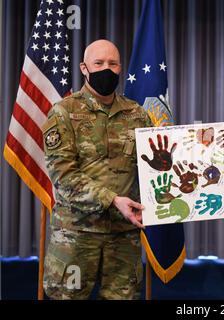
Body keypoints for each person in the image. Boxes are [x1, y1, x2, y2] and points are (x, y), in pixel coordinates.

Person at [42, 39, 152, 299]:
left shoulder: (137, 114)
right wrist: (113, 200)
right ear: (84, 67)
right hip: (77, 235)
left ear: (120, 68)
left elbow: (162, 164)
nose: (107, 69)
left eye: (113, 64)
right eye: (99, 63)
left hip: (123, 236)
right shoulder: (63, 112)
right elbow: (64, 176)